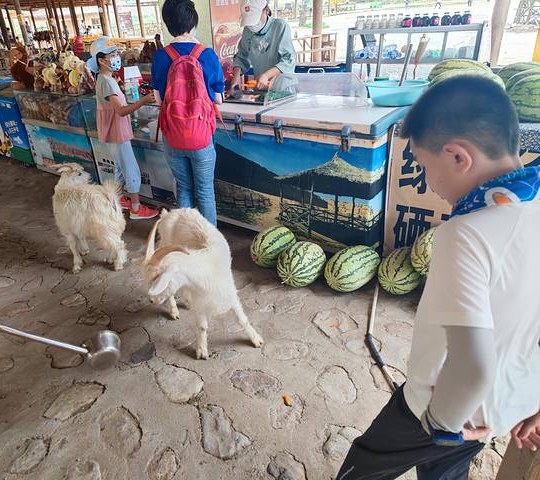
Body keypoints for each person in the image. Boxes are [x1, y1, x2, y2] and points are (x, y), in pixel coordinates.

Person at [336, 76, 540, 479]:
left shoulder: (466, 234)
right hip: (504, 406)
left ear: (458, 157)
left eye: (424, 166)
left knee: (365, 465)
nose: (428, 181)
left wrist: (442, 427)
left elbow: (473, 366)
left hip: (438, 407)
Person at [150, 0, 224, 226]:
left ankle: (185, 238)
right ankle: (209, 241)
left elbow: (159, 100)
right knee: (205, 191)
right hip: (201, 136)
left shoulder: (161, 56)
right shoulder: (207, 54)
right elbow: (218, 99)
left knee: (183, 188)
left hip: (172, 136)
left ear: (168, 23)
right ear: (194, 22)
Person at [87, 37, 159, 220]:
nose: (117, 57)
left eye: (116, 53)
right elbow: (120, 111)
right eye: (112, 55)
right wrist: (143, 101)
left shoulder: (107, 79)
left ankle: (118, 200)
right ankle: (135, 208)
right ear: (101, 60)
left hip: (113, 131)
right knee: (130, 168)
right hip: (116, 131)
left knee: (119, 167)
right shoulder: (106, 81)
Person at [231, 0, 295, 91]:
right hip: (260, 88)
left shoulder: (280, 27)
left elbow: (289, 59)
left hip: (282, 88)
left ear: (266, 11)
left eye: (255, 19)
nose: (252, 25)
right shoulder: (248, 31)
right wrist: (236, 76)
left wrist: (266, 75)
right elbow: (242, 56)